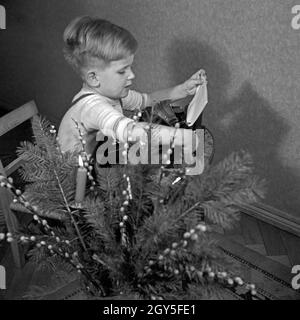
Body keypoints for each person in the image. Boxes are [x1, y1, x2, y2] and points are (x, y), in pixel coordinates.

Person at [58, 16, 206, 165]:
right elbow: (130, 131)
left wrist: (182, 89)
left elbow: (148, 100)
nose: (132, 75)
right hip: (73, 180)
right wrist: (180, 136)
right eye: (122, 71)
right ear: (94, 78)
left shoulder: (114, 95)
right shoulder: (93, 107)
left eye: (130, 67)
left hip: (97, 161)